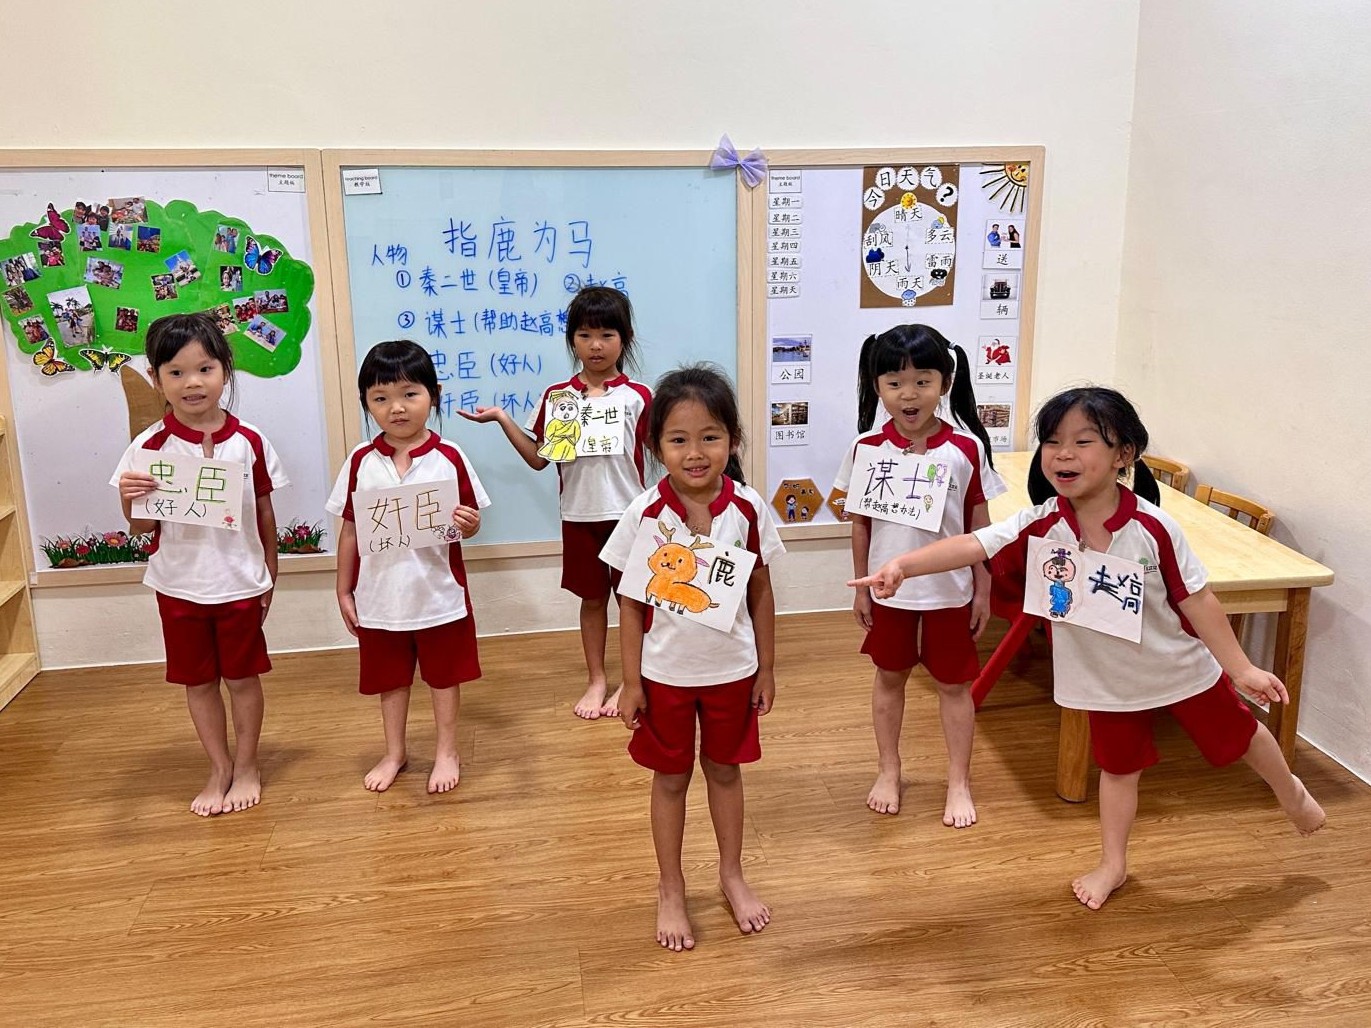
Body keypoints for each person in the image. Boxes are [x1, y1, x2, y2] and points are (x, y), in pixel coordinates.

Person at [851, 386, 1326, 909]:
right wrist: (903, 565)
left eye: (1083, 442)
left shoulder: (1153, 527)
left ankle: (1290, 791)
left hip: (1176, 668)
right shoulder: (1043, 521)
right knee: (1118, 770)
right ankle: (1113, 864)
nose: (1063, 454)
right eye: (1053, 442)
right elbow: (974, 543)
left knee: (1240, 735)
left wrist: (1242, 668)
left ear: (1124, 453)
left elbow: (1198, 600)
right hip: (1104, 683)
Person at [601, 364, 783, 951]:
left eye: (710, 437)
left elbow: (761, 591)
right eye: (678, 440)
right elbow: (630, 604)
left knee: (726, 771)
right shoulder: (645, 514)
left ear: (733, 440)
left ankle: (731, 874)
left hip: (732, 671)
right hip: (664, 676)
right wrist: (630, 682)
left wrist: (767, 668)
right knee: (671, 777)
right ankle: (671, 886)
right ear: (657, 447)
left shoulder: (747, 508)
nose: (696, 453)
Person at [112, 313, 286, 817]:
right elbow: (141, 527)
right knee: (198, 681)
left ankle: (247, 765)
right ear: (156, 378)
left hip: (239, 583)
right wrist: (129, 498)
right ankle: (219, 766)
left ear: (225, 371)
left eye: (205, 369)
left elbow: (265, 512)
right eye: (176, 372)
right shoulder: (147, 447)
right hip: (178, 585)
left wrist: (270, 574)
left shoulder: (249, 440)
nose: (192, 383)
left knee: (243, 679)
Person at [837, 324, 1003, 826]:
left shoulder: (966, 449)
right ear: (876, 386)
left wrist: (983, 590)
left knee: (955, 687)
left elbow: (980, 528)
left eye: (922, 381)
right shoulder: (866, 448)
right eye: (894, 382)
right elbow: (860, 524)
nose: (908, 394)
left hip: (950, 593)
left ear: (945, 383)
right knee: (890, 678)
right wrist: (862, 588)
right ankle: (889, 769)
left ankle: (958, 781)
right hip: (889, 595)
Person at [461, 286, 651, 720]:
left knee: (633, 602)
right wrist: (502, 419)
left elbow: (666, 450)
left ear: (624, 339)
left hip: (630, 517)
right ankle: (596, 679)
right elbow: (538, 459)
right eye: (585, 335)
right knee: (591, 600)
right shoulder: (558, 396)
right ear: (572, 340)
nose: (596, 345)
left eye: (606, 335)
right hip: (578, 515)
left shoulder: (638, 396)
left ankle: (632, 680)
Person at [329, 340, 489, 795]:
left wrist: (471, 525)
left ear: (433, 395)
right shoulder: (360, 461)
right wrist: (344, 589)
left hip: (438, 595)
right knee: (390, 681)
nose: (396, 408)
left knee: (444, 678)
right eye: (380, 397)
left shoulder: (450, 456)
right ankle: (394, 751)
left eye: (409, 394)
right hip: (380, 598)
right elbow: (350, 530)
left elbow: (469, 522)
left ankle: (447, 750)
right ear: (366, 403)